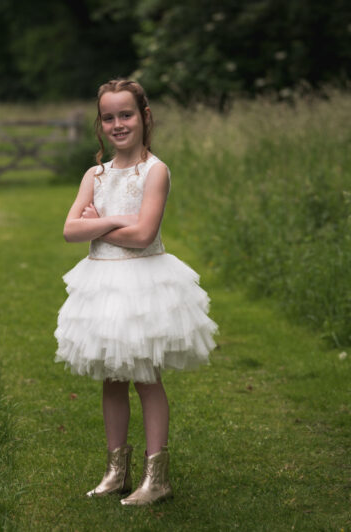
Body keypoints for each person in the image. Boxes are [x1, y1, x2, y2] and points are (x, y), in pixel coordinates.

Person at [54, 79, 218, 506]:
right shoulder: (95, 175)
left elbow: (144, 235)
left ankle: (156, 477)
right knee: (112, 377)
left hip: (142, 285)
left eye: (125, 114)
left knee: (145, 376)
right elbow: (70, 230)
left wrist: (98, 223)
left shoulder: (155, 171)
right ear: (100, 124)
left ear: (144, 116)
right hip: (103, 285)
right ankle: (115, 473)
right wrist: (117, 220)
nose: (118, 124)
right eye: (108, 117)